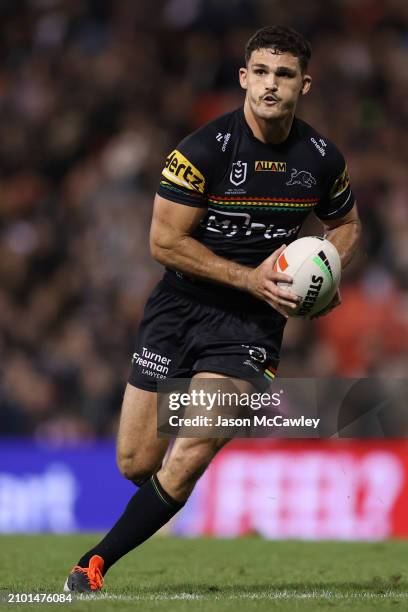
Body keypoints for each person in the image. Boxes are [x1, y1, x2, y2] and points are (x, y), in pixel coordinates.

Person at [64, 25, 361, 592]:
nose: (272, 86)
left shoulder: (321, 159)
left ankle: (93, 564)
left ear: (305, 85)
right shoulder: (202, 151)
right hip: (180, 308)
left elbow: (346, 224)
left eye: (286, 75)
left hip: (251, 324)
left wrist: (331, 267)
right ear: (244, 78)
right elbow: (163, 243)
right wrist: (248, 276)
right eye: (263, 73)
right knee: (135, 463)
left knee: (194, 446)